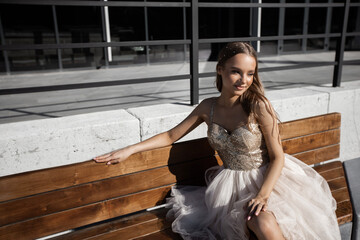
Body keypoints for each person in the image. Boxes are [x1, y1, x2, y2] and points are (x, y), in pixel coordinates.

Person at [94, 42, 341, 240]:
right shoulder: (207, 108)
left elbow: (278, 157)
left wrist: (263, 195)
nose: (243, 80)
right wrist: (130, 149)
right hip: (229, 186)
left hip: (269, 181)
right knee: (253, 223)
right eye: (236, 71)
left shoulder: (258, 106)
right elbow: (171, 136)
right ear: (220, 69)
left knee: (264, 222)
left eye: (250, 73)